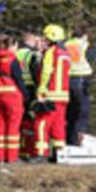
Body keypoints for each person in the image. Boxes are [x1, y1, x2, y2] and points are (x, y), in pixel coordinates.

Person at [31, 24, 71, 159]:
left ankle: (41, 153)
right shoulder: (65, 54)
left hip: (50, 95)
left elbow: (46, 72)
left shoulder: (51, 52)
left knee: (41, 124)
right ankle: (58, 153)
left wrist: (41, 91)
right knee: (58, 125)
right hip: (63, 96)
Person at [0, 35, 28, 163]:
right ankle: (12, 157)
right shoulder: (12, 60)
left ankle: (0, 156)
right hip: (12, 96)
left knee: (0, 125)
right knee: (13, 126)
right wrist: (26, 95)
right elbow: (19, 80)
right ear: (11, 46)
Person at [64, 29, 93, 147]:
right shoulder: (84, 45)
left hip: (67, 79)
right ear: (84, 36)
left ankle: (69, 137)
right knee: (83, 110)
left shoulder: (65, 45)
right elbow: (91, 58)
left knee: (70, 110)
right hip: (81, 78)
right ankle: (78, 135)